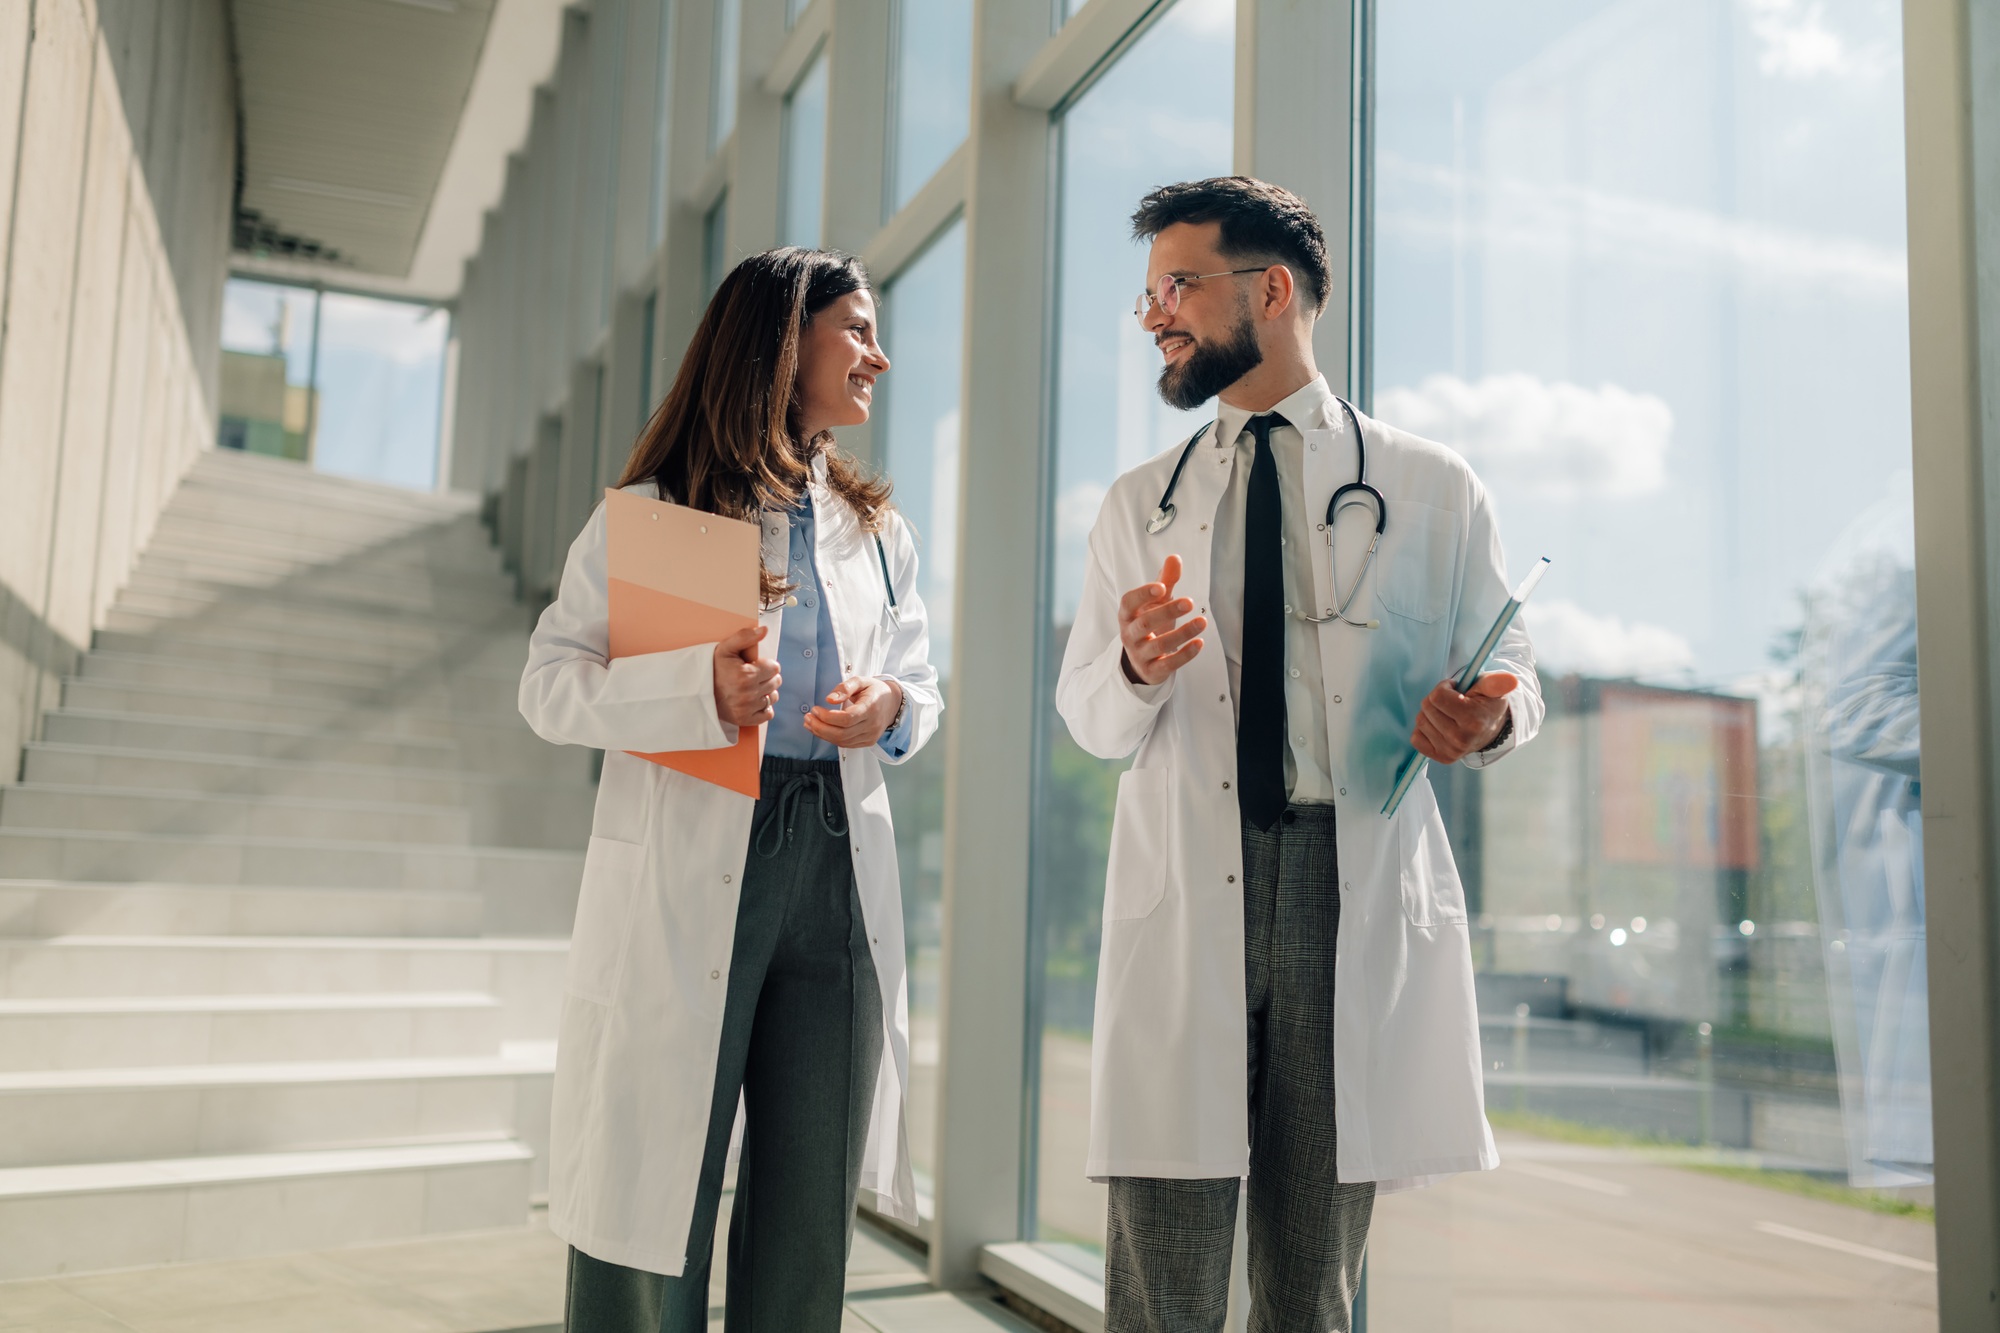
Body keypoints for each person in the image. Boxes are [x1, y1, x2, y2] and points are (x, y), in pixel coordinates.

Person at [1056, 177, 1543, 1332]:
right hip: (1191, 881)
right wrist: (1131, 667)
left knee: (1310, 1281)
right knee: (1160, 1274)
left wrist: (1489, 715)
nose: (1152, 315)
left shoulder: (1430, 486)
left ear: (1269, 291)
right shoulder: (1138, 502)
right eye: (1146, 293)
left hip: (1346, 888)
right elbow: (1088, 714)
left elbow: (1511, 660)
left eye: (1176, 286)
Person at [518, 247, 941, 1332]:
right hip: (703, 852)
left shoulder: (875, 530)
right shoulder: (661, 511)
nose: (878, 356)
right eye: (857, 329)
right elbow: (548, 685)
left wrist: (889, 704)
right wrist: (691, 690)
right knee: (652, 1180)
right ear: (782, 340)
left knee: (808, 1202)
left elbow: (922, 683)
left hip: (837, 863)